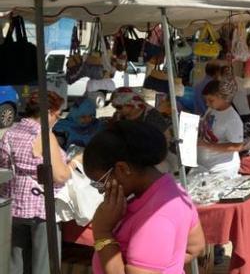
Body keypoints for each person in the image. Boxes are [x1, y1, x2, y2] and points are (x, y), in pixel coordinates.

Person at [84, 121, 205, 274]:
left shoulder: (156, 217)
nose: (102, 191)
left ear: (122, 168)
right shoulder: (173, 190)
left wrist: (102, 232)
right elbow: (194, 248)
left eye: (101, 182)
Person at [0, 92, 72, 274]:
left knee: (15, 265)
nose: (58, 119)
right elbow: (60, 176)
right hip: (41, 209)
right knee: (43, 266)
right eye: (58, 114)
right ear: (48, 112)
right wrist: (75, 162)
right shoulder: (45, 136)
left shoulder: (10, 133)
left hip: (13, 206)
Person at [193, 80, 244, 177]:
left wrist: (208, 146)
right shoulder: (212, 109)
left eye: (211, 100)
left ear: (224, 98)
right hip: (205, 166)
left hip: (221, 169)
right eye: (206, 100)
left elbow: (238, 146)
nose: (207, 104)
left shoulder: (232, 119)